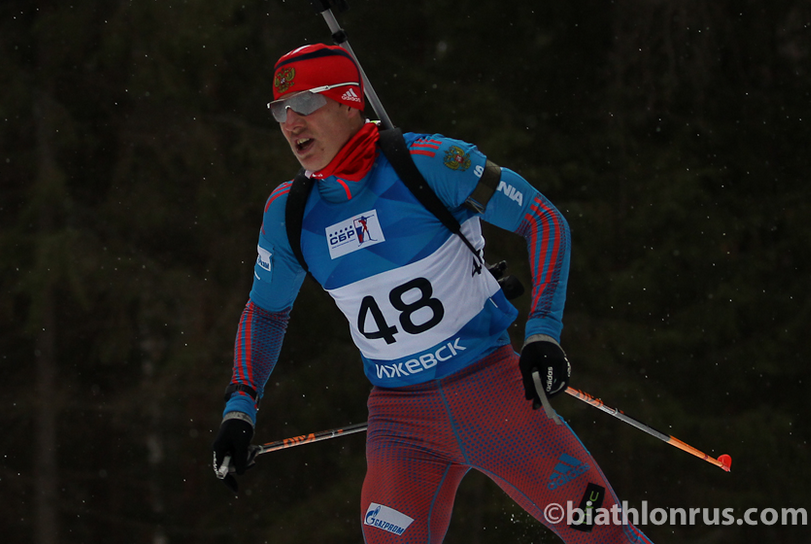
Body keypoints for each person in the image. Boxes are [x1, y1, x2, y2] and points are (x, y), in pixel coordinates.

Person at [212, 43, 652, 543]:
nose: (291, 123)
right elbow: (266, 313)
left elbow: (542, 218)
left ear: (350, 101)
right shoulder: (290, 214)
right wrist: (239, 408)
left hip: (500, 399)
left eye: (306, 104)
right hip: (401, 427)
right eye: (279, 111)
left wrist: (543, 332)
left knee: (602, 532)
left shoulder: (432, 163)